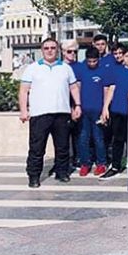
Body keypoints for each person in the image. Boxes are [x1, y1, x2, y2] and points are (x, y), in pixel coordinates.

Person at [19, 38, 81, 188]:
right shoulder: (32, 68)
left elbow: (73, 88)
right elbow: (23, 90)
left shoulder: (66, 68)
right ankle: (34, 176)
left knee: (62, 146)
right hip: (40, 114)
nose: (50, 50)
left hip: (62, 113)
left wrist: (77, 105)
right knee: (37, 147)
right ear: (42, 50)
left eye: (53, 48)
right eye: (46, 48)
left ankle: (62, 172)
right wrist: (23, 110)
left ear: (58, 50)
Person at [100, 45, 128, 180]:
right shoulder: (117, 71)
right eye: (126, 56)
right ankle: (115, 166)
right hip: (117, 110)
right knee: (118, 139)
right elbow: (111, 89)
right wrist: (105, 108)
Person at [75, 47, 108, 177]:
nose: (92, 64)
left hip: (98, 111)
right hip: (84, 110)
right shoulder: (81, 69)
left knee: (98, 138)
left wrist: (105, 109)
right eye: (90, 61)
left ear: (98, 59)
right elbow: (77, 87)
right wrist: (76, 106)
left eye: (94, 61)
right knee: (83, 138)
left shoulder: (103, 70)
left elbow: (106, 90)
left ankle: (101, 163)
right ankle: (85, 163)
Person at [61, 40, 82, 169]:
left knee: (76, 134)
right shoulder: (59, 66)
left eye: (75, 51)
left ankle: (77, 159)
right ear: (63, 52)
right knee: (62, 137)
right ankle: (62, 162)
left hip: (74, 104)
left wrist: (75, 106)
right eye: (69, 51)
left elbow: (77, 88)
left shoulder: (79, 67)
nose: (72, 54)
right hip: (61, 106)